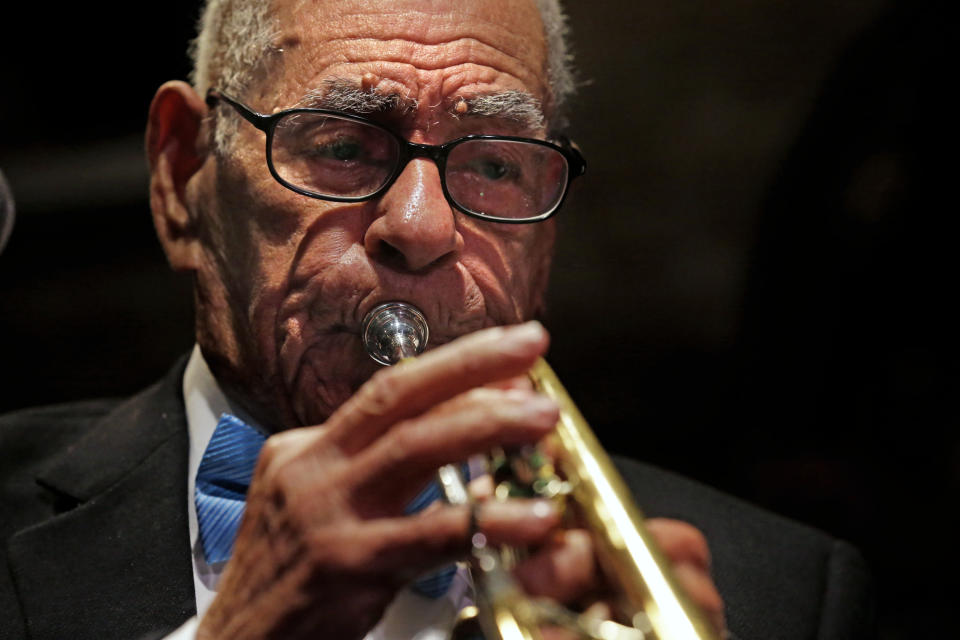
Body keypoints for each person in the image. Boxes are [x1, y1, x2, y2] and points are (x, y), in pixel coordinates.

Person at [0, 1, 874, 639]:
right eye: (342, 146)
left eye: (494, 163)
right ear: (182, 177)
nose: (420, 228)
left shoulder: (790, 595)